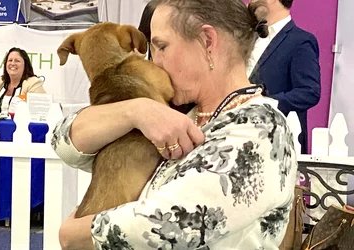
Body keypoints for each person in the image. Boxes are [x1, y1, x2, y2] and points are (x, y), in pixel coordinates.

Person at [52, 0, 298, 249]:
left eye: (161, 47)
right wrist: (134, 110)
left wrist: (79, 233)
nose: (154, 61)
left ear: (207, 41)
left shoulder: (261, 130)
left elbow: (175, 224)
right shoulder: (185, 114)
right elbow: (65, 144)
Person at [247, 0, 321, 154]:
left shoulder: (301, 41)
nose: (250, 1)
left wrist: (267, 104)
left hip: (276, 142)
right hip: (242, 134)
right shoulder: (246, 38)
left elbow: (309, 92)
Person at [0, 47, 46, 115]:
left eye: (17, 61)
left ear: (25, 65)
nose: (13, 63)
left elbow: (39, 114)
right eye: (10, 60)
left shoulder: (34, 84)